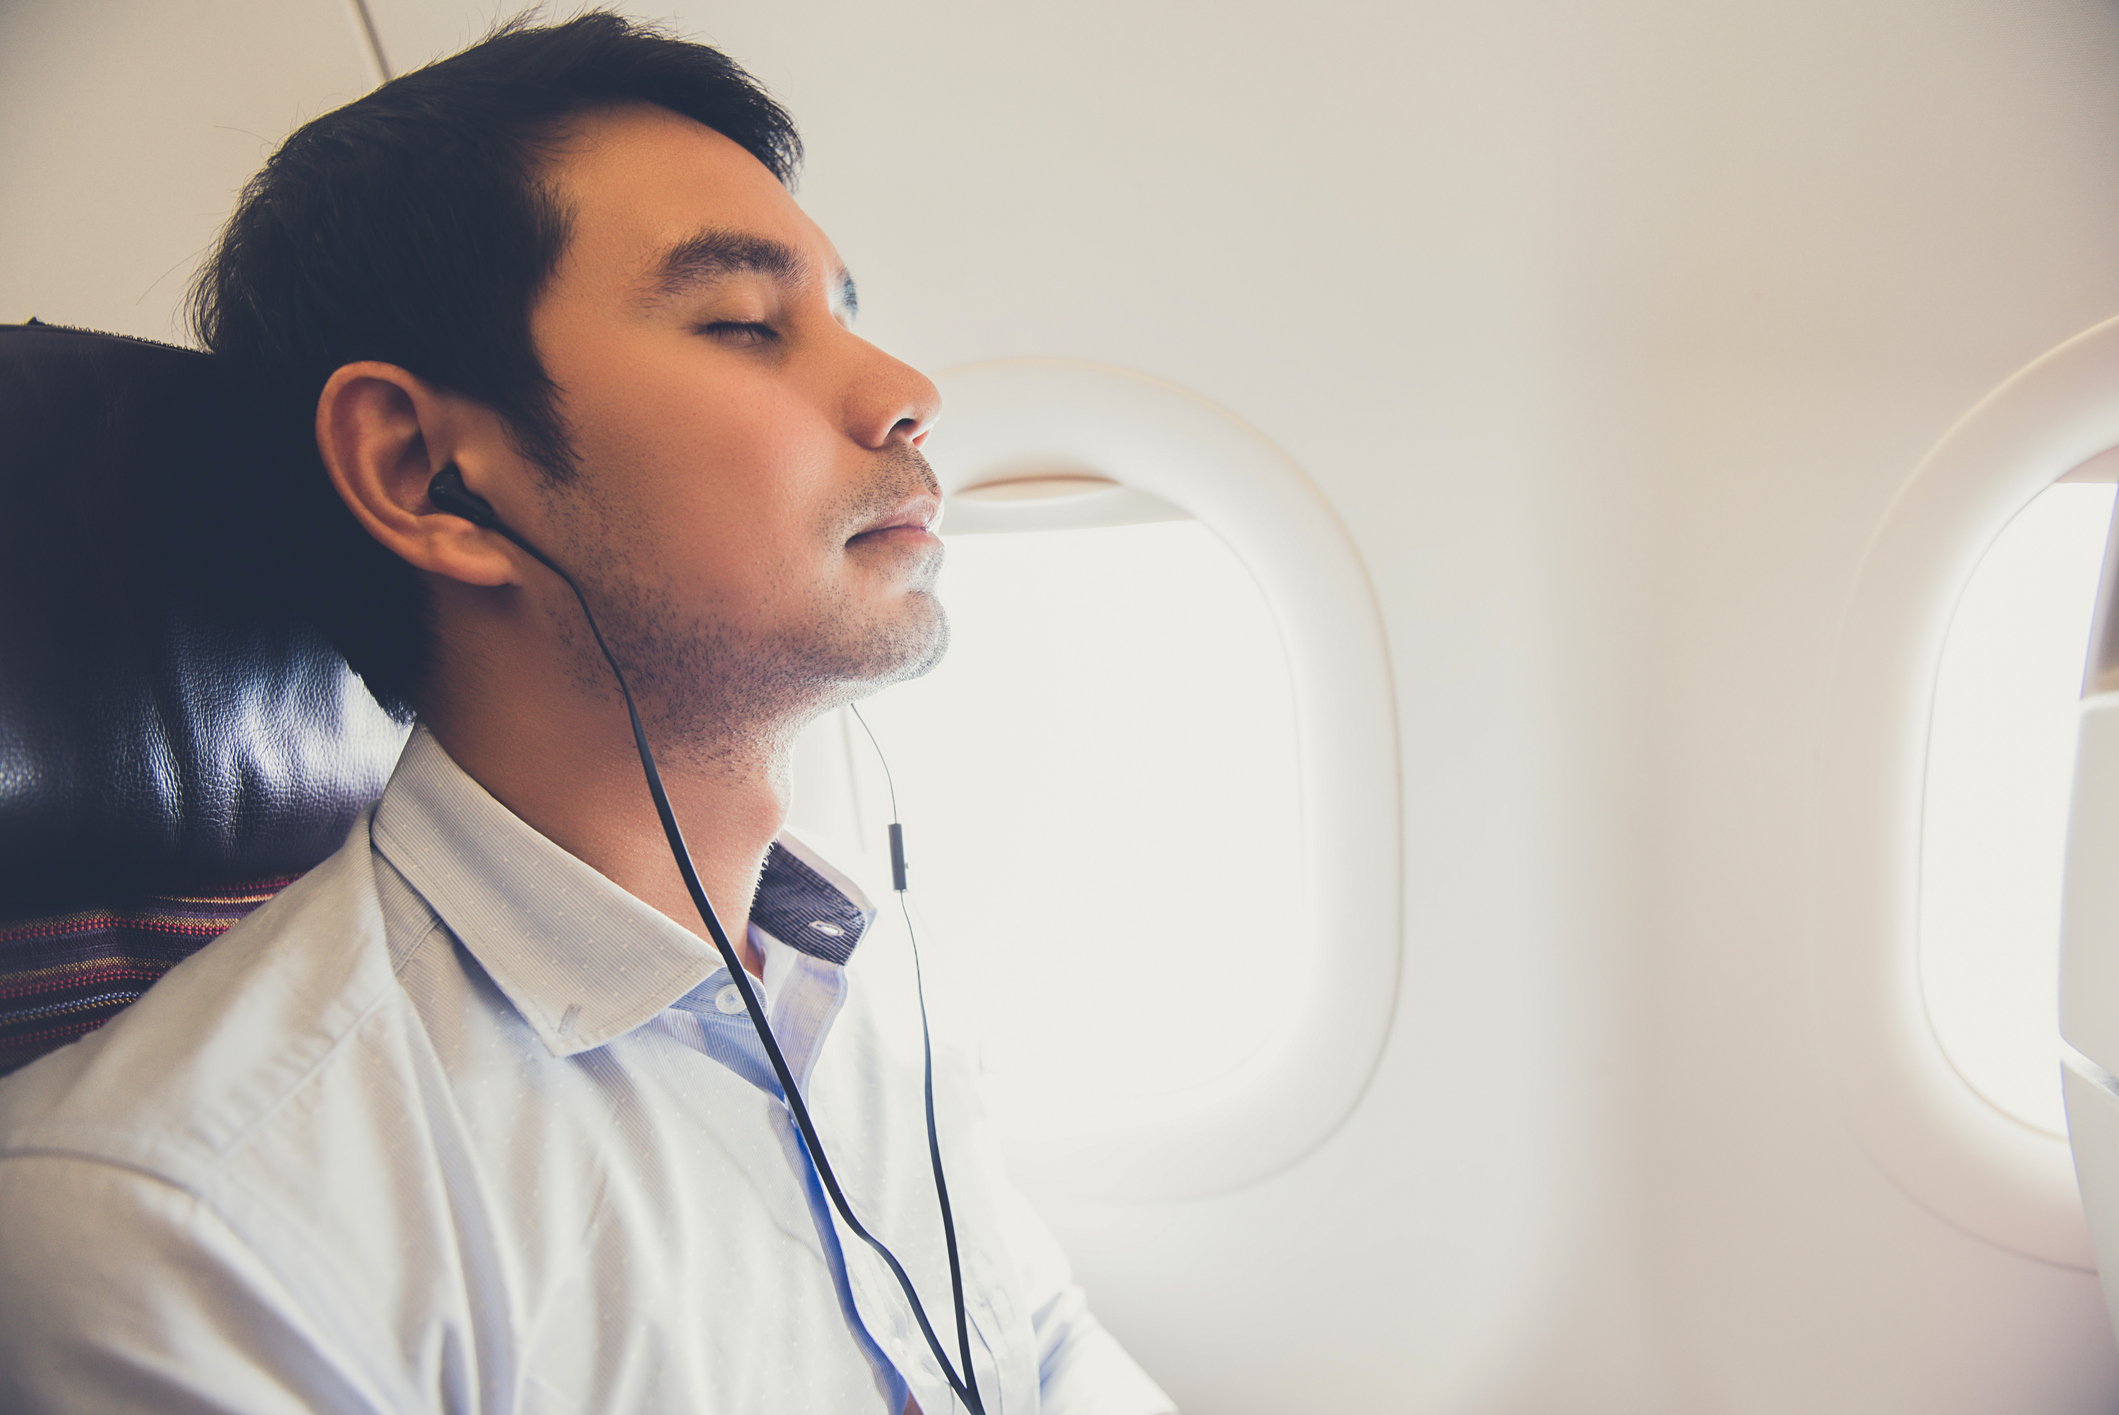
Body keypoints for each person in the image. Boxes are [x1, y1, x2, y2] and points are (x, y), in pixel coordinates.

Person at [0, 13, 1174, 1414]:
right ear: (425, 473)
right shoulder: (180, 1229)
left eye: (848, 315)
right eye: (746, 325)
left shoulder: (852, 1001)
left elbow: (1048, 1362)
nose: (907, 393)